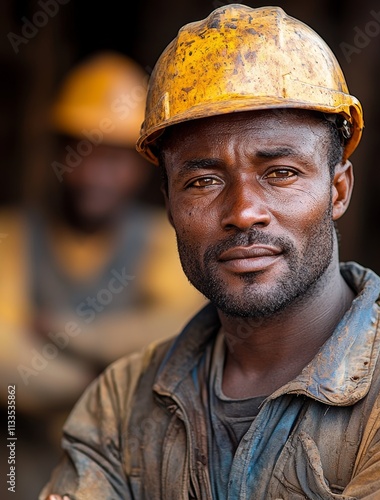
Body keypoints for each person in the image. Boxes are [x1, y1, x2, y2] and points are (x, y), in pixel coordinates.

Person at [41, 5, 380, 499]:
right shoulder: (119, 402)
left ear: (339, 190)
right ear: (169, 206)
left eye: (280, 173)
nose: (243, 211)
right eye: (203, 181)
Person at [0, 50, 205, 498]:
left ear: (140, 166)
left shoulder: (161, 240)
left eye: (113, 159)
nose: (94, 174)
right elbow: (6, 362)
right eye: (81, 153)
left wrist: (67, 333)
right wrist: (111, 377)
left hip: (125, 470)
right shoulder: (10, 236)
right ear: (57, 152)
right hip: (19, 459)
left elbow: (182, 333)